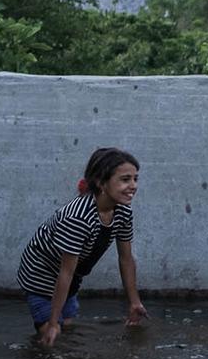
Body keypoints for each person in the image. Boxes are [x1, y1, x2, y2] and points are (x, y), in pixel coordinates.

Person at [16, 146, 147, 347]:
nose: (133, 186)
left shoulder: (122, 211)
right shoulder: (78, 218)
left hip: (71, 276)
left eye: (135, 179)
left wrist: (134, 302)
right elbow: (64, 272)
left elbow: (126, 258)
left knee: (67, 331)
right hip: (41, 276)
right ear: (101, 182)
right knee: (52, 338)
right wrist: (52, 323)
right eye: (125, 179)